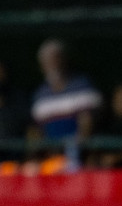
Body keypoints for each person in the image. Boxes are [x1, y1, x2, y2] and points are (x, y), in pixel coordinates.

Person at [30, 38, 100, 171]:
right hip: (50, 156)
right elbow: (37, 132)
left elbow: (87, 125)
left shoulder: (82, 86)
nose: (53, 64)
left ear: (64, 60)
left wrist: (72, 151)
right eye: (47, 61)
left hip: (79, 154)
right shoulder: (40, 95)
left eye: (56, 59)